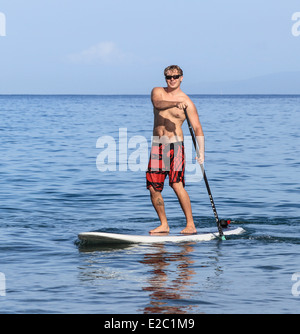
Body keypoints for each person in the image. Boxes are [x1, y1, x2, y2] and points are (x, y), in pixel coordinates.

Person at [146, 65, 205, 234]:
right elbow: (158, 104)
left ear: (181, 78)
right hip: (158, 146)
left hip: (176, 146)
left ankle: (190, 225)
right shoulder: (158, 92)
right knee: (153, 187)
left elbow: (197, 128)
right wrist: (175, 103)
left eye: (175, 77)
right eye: (168, 77)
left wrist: (201, 151)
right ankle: (164, 224)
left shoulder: (187, 103)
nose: (171, 80)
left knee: (176, 184)